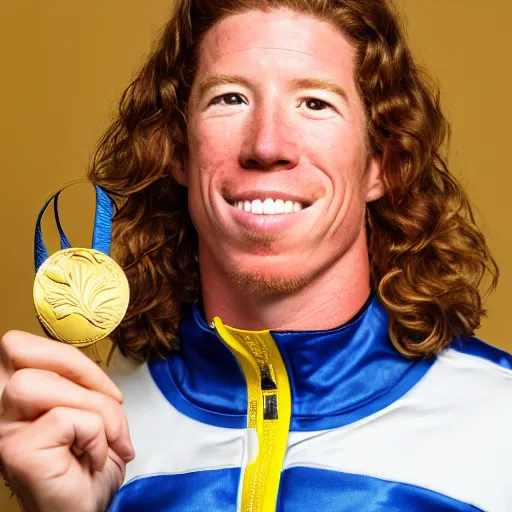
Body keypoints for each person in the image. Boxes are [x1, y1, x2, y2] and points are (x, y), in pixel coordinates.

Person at [0, 0, 510, 510]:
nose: (267, 145)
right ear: (178, 150)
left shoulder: (500, 423)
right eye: (230, 98)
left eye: (314, 103)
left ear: (381, 163)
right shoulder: (93, 432)